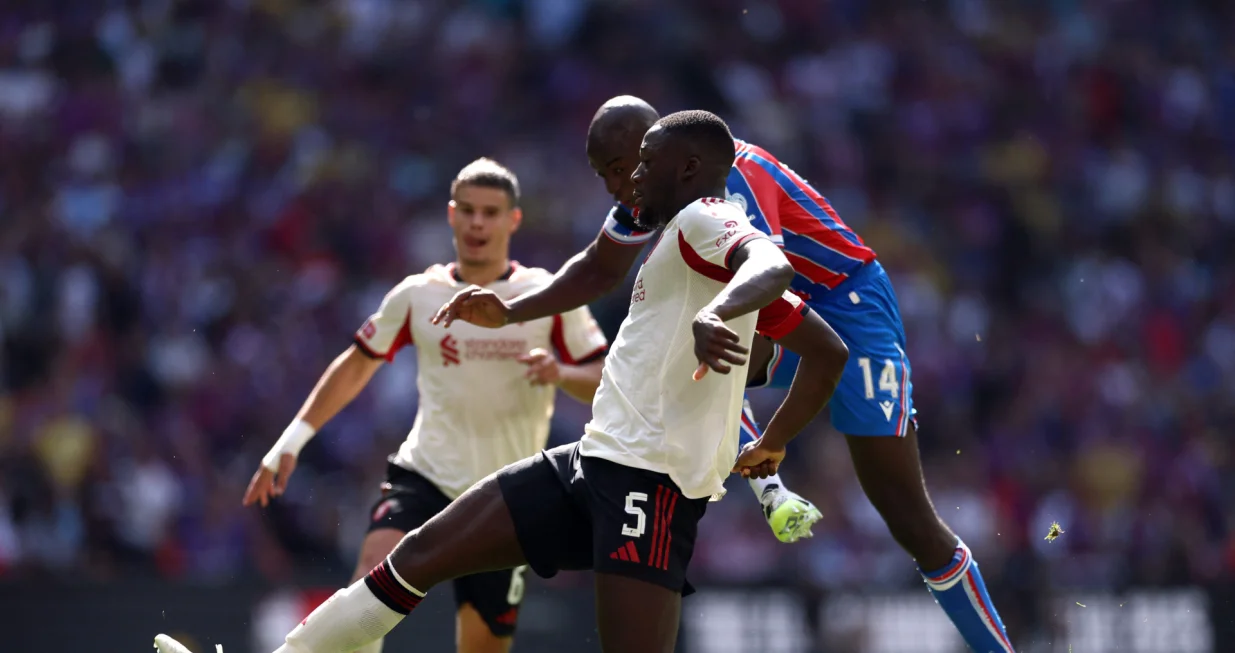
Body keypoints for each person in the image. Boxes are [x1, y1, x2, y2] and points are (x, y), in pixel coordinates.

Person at [156, 110, 849, 653]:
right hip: (591, 462)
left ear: (689, 168)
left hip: (650, 484)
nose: (631, 177)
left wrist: (721, 315)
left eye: (643, 162)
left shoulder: (708, 221)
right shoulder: (673, 236)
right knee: (417, 555)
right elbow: (823, 351)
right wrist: (774, 442)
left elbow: (770, 263)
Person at [435, 96, 1016, 653]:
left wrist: (725, 342)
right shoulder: (656, 189)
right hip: (778, 314)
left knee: (906, 515)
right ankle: (767, 486)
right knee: (691, 361)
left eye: (621, 168)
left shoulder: (731, 180)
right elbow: (597, 268)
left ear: (665, 154)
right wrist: (511, 309)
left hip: (847, 307)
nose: (617, 187)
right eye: (605, 176)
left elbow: (770, 280)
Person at [238, 158, 609, 653]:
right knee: (365, 593)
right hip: (425, 476)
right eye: (469, 211)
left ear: (513, 220)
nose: (479, 223)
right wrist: (293, 440)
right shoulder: (417, 295)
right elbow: (355, 365)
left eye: (492, 212)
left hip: (504, 495)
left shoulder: (545, 294)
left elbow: (605, 376)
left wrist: (560, 373)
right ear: (451, 215)